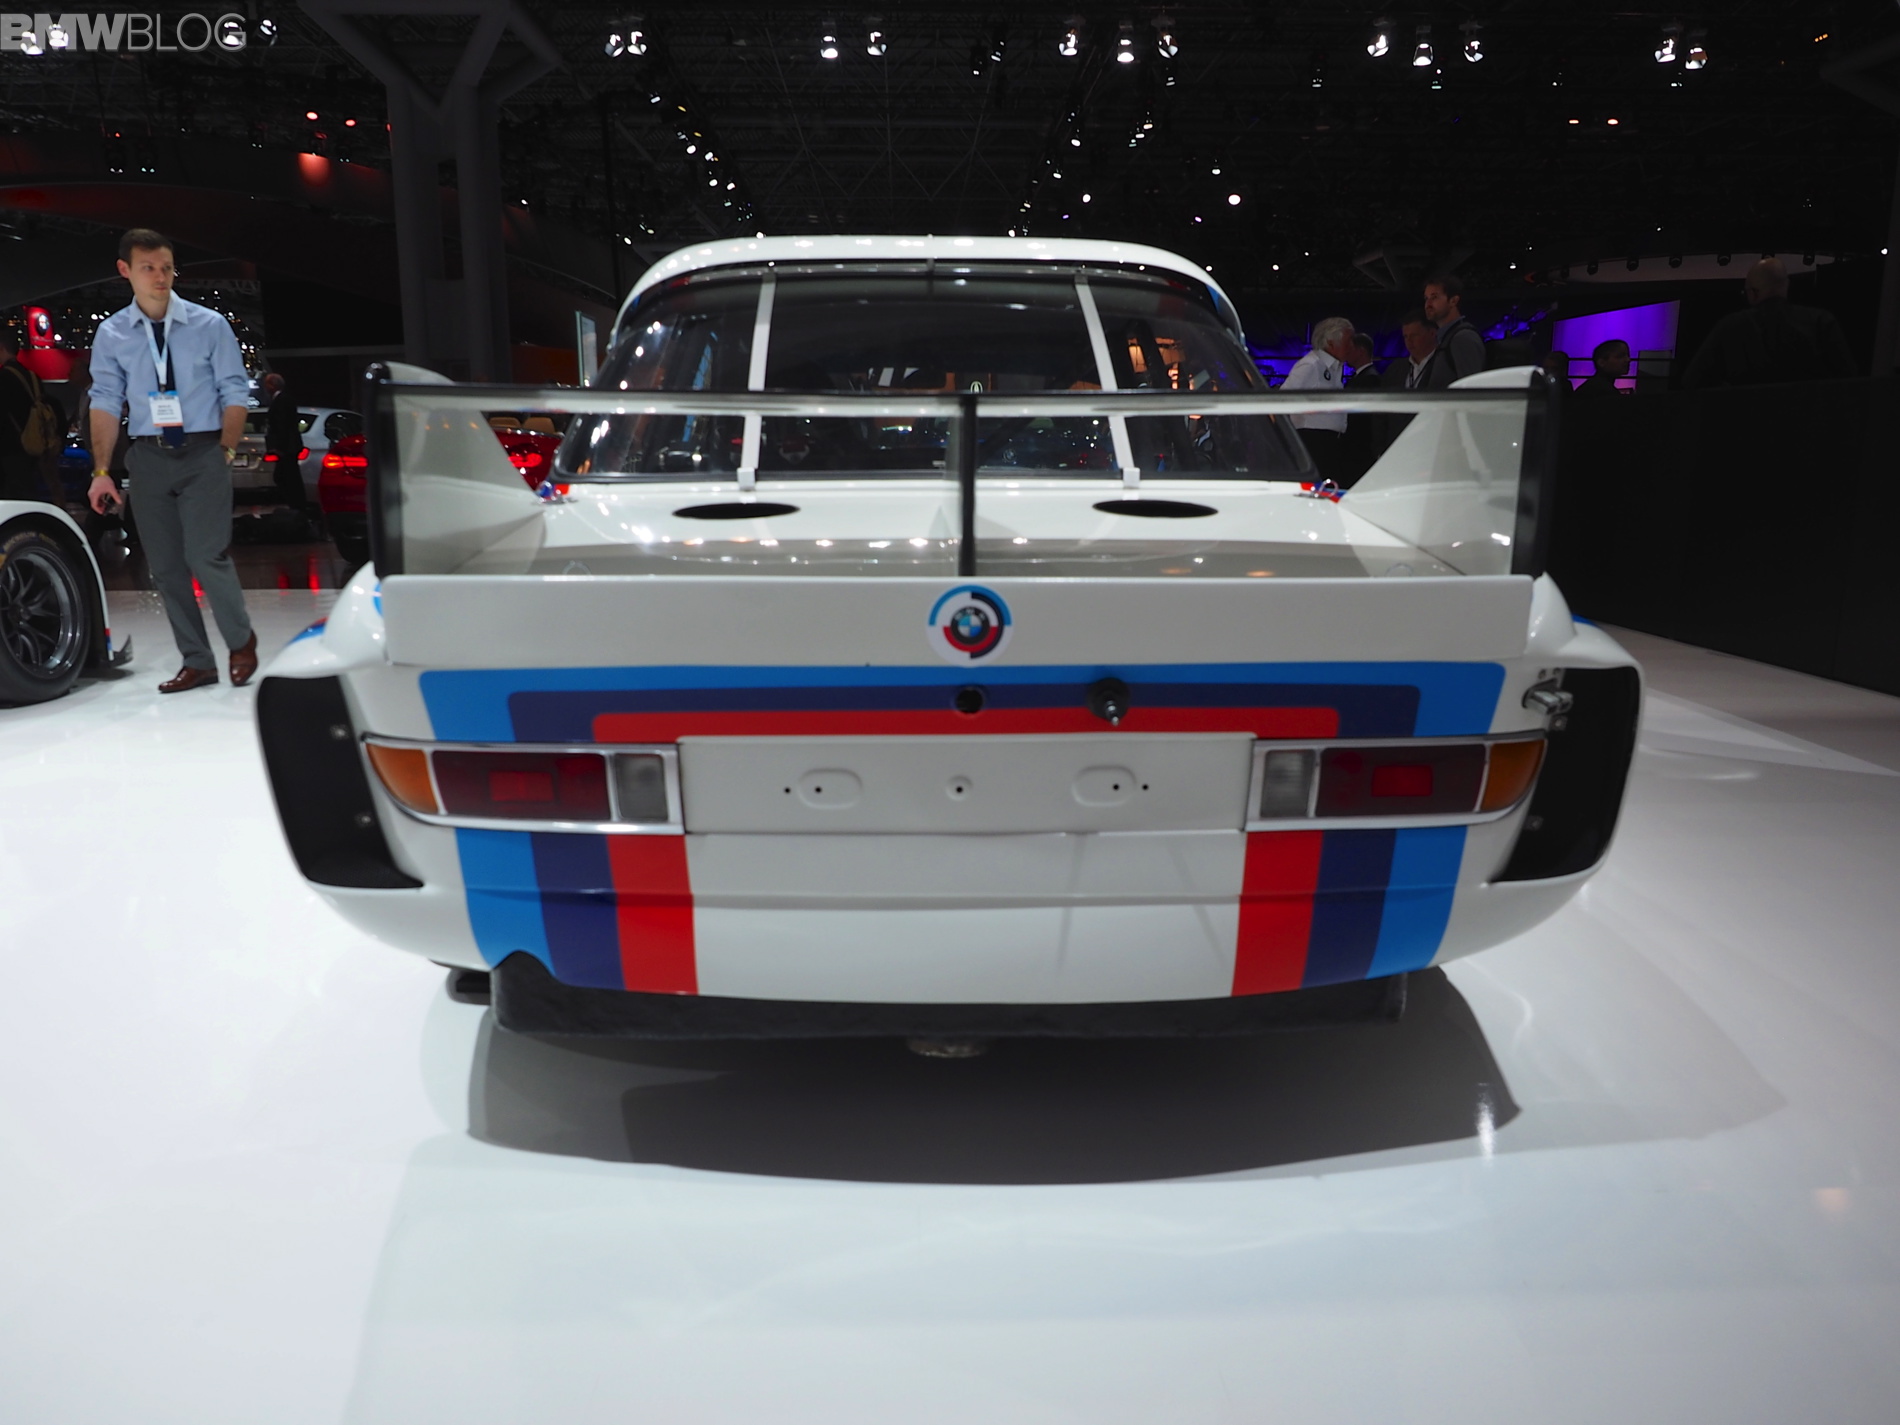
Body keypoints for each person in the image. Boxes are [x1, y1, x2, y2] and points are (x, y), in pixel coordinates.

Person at [87, 227, 257, 694]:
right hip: (147, 456)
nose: (160, 277)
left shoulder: (209, 325)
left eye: (166, 267)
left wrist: (226, 449)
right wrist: (102, 472)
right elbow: (105, 400)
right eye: (148, 268)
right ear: (125, 270)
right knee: (163, 566)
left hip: (204, 451)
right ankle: (198, 661)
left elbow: (234, 390)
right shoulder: (113, 333)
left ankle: (241, 642)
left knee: (205, 554)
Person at [1682, 256, 1857, 389]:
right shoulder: (1821, 321)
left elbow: (1692, 380)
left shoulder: (1728, 327)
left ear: (1753, 293)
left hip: (1744, 422)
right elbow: (1849, 381)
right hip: (1809, 421)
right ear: (1786, 285)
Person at [1282, 315, 1354, 480]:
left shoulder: (1335, 367)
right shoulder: (1311, 365)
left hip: (1331, 443)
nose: (1352, 345)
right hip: (1313, 442)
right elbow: (1283, 399)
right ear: (1331, 343)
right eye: (1348, 340)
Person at [0, 326, 62, 503]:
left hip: (9, 449)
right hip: (33, 445)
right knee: (28, 494)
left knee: (12, 497)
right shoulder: (33, 377)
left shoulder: (3, 377)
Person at [1421, 273, 1485, 388]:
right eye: (1426, 298)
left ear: (1453, 301)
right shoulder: (1447, 339)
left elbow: (1471, 390)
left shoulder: (1463, 338)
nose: (1428, 304)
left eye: (1434, 297)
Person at [261, 371, 308, 512]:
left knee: (286, 476)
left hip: (287, 447)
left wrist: (279, 446)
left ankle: (296, 505)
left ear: (272, 385)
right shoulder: (284, 400)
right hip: (289, 446)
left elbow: (282, 425)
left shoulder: (281, 401)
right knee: (288, 476)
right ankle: (296, 505)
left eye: (267, 384)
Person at [1391, 310, 1439, 390]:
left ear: (1432, 333)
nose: (1409, 341)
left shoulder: (1445, 365)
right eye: (1405, 336)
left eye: (1414, 335)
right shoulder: (1395, 369)